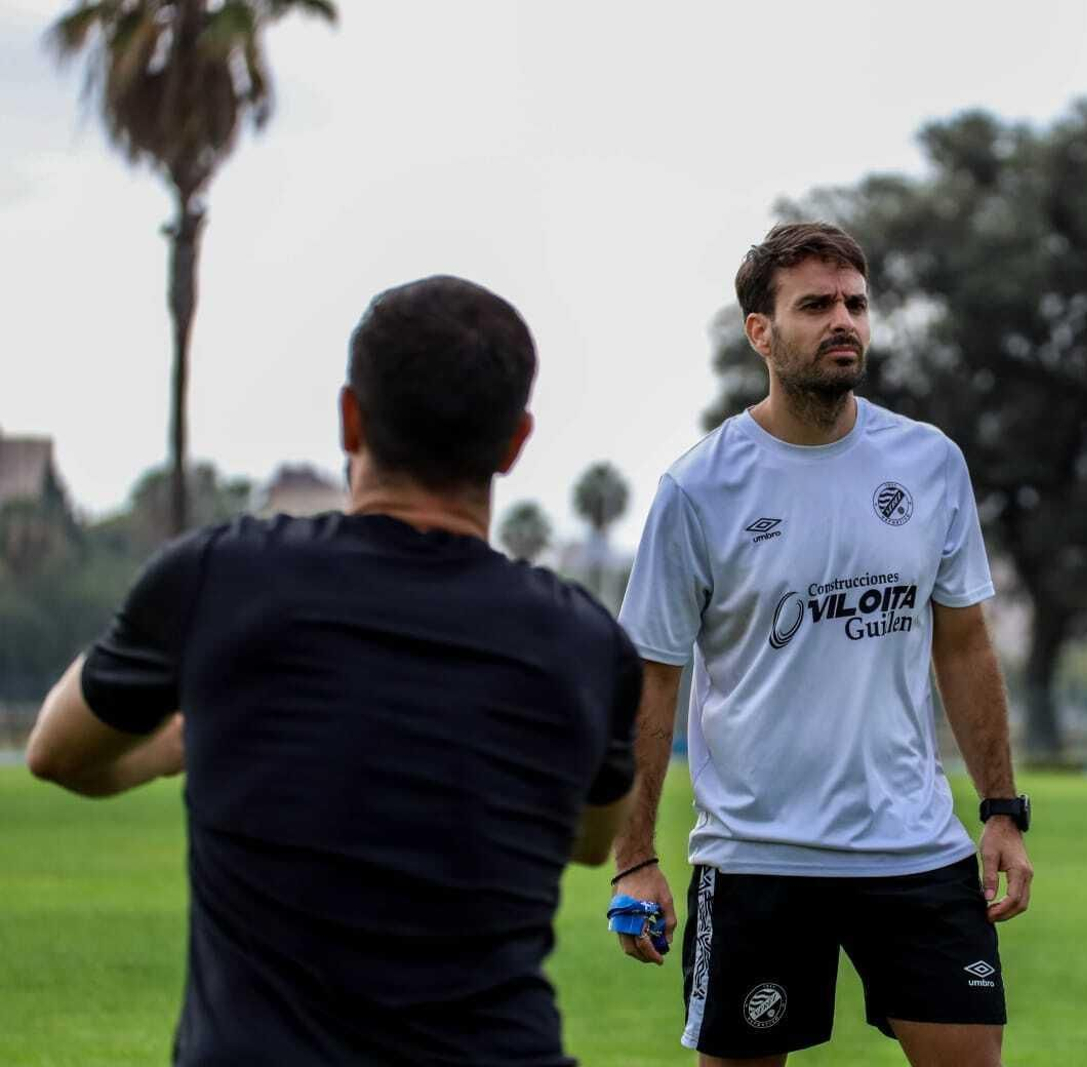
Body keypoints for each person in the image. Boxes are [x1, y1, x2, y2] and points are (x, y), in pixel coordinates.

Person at [27, 275, 642, 1067]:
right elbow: (590, 840)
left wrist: (176, 745)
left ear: (350, 418)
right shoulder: (586, 645)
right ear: (515, 441)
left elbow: (56, 750)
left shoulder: (221, 577)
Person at [613, 222, 1033, 1066]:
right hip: (757, 854)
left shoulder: (930, 463)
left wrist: (1001, 810)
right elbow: (652, 678)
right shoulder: (698, 488)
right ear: (760, 332)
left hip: (913, 846)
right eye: (815, 305)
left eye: (855, 303)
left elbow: (963, 646)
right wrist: (634, 858)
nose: (843, 320)